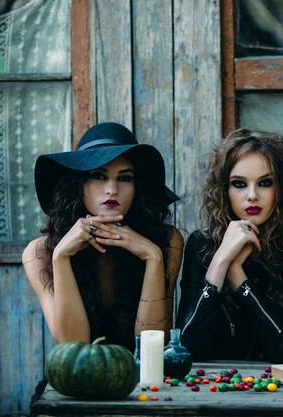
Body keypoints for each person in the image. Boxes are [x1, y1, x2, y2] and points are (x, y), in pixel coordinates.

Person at [22, 122, 183, 352]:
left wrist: (153, 257)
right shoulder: (39, 253)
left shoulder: (166, 241)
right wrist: (61, 257)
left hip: (145, 380)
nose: (112, 189)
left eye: (125, 178)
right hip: (78, 383)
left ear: (138, 188)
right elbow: (74, 348)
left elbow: (153, 344)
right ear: (78, 185)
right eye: (99, 175)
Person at [176, 128, 283, 363]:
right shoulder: (201, 245)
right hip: (211, 391)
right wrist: (221, 261)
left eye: (265, 183)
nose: (252, 195)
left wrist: (236, 273)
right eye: (239, 184)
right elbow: (186, 349)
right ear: (224, 190)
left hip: (282, 392)